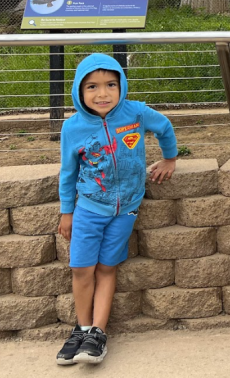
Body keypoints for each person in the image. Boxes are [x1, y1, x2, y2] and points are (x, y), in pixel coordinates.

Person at [56, 53, 177, 365]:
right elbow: (68, 173)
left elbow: (163, 126)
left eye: (111, 84)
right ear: (79, 92)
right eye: (92, 87)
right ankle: (80, 329)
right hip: (89, 210)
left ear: (121, 84)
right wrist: (66, 211)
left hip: (126, 211)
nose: (103, 93)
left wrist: (169, 158)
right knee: (82, 269)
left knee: (108, 268)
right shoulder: (73, 127)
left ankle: (97, 333)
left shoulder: (134, 113)